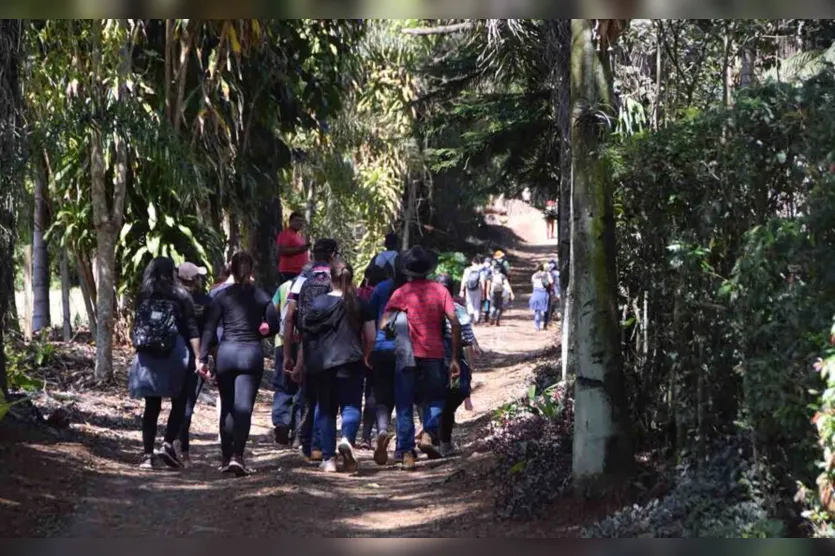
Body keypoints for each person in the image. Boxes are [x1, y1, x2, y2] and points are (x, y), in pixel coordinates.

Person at [382, 245, 461, 471]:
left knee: (405, 403)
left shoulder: (401, 292)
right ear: (429, 269)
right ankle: (428, 432)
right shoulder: (440, 290)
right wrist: (454, 357)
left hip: (407, 355)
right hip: (435, 353)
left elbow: (384, 323)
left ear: (407, 270)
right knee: (436, 398)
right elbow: (454, 323)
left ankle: (407, 453)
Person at [199, 252, 279, 476]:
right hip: (251, 354)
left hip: (227, 354)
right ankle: (238, 456)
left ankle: (226, 458)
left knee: (227, 406)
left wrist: (203, 358)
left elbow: (209, 329)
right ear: (251, 270)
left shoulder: (221, 296)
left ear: (231, 269)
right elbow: (274, 325)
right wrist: (263, 331)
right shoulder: (261, 296)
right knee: (244, 408)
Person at [298, 261, 376, 473]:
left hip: (323, 364)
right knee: (351, 406)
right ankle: (348, 440)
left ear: (330, 278)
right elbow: (371, 337)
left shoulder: (318, 303)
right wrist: (366, 356)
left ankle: (329, 460)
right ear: (351, 278)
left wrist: (301, 363)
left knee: (326, 410)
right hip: (351, 361)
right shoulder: (360, 303)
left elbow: (307, 335)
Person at [128, 257, 200, 470]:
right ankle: (168, 443)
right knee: (179, 400)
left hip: (148, 354)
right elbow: (192, 328)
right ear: (172, 273)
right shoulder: (181, 295)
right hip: (174, 353)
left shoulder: (143, 295)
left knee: (151, 405)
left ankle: (147, 456)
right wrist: (199, 357)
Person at [283, 239, 340, 462]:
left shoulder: (301, 280)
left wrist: (289, 353)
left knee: (308, 395)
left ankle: (306, 443)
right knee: (327, 398)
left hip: (306, 344)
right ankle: (318, 444)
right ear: (333, 254)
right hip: (332, 346)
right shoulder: (337, 279)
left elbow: (289, 318)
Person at [436, 274, 482, 457]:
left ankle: (433, 436)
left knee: (431, 400)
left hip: (427, 361)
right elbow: (468, 342)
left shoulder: (425, 308)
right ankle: (443, 442)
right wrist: (468, 369)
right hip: (453, 362)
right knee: (451, 399)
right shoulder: (459, 311)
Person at [174, 262, 213, 467]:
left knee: (174, 404)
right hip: (195, 358)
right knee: (187, 404)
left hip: (170, 356)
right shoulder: (205, 301)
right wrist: (204, 357)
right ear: (194, 279)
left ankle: (166, 445)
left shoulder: (171, 298)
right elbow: (208, 332)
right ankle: (184, 452)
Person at [367, 260, 404, 465]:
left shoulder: (381, 288)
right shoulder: (411, 290)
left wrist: (368, 346)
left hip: (381, 347)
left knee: (382, 395)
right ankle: (401, 447)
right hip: (405, 349)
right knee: (404, 398)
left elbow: (370, 317)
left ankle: (381, 430)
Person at [358, 262, 388, 449]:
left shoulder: (359, 294)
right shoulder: (388, 290)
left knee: (369, 391)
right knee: (383, 391)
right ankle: (382, 430)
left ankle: (365, 437)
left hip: (361, 345)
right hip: (382, 342)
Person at [270, 273, 300, 447]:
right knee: (301, 386)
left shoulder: (283, 287)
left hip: (281, 342)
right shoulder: (313, 284)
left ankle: (281, 422)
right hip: (304, 343)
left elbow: (272, 310)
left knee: (283, 384)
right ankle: (298, 429)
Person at [276, 212, 311, 284]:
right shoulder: (286, 234)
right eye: (297, 221)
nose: (299, 223)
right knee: (290, 294)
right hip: (289, 272)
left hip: (299, 272)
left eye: (301, 221)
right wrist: (300, 250)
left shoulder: (297, 235)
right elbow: (281, 250)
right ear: (290, 222)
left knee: (296, 294)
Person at [459, 257, 484, 325]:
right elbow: (482, 282)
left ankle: (471, 314)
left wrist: (461, 290)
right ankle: (476, 319)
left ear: (472, 262)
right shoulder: (480, 270)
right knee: (477, 304)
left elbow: (464, 280)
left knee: (469, 303)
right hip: (478, 289)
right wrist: (483, 292)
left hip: (468, 289)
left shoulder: (467, 270)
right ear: (478, 262)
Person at [530, 262, 553, 332]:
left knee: (537, 310)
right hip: (544, 292)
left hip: (536, 292)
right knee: (546, 309)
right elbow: (551, 282)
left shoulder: (534, 275)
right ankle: (545, 325)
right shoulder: (547, 274)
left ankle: (537, 326)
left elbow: (533, 283)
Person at [480, 257, 494, 322]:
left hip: (480, 289)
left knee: (481, 302)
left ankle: (479, 315)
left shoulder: (481, 268)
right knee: (487, 301)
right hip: (488, 288)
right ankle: (486, 315)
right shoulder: (491, 268)